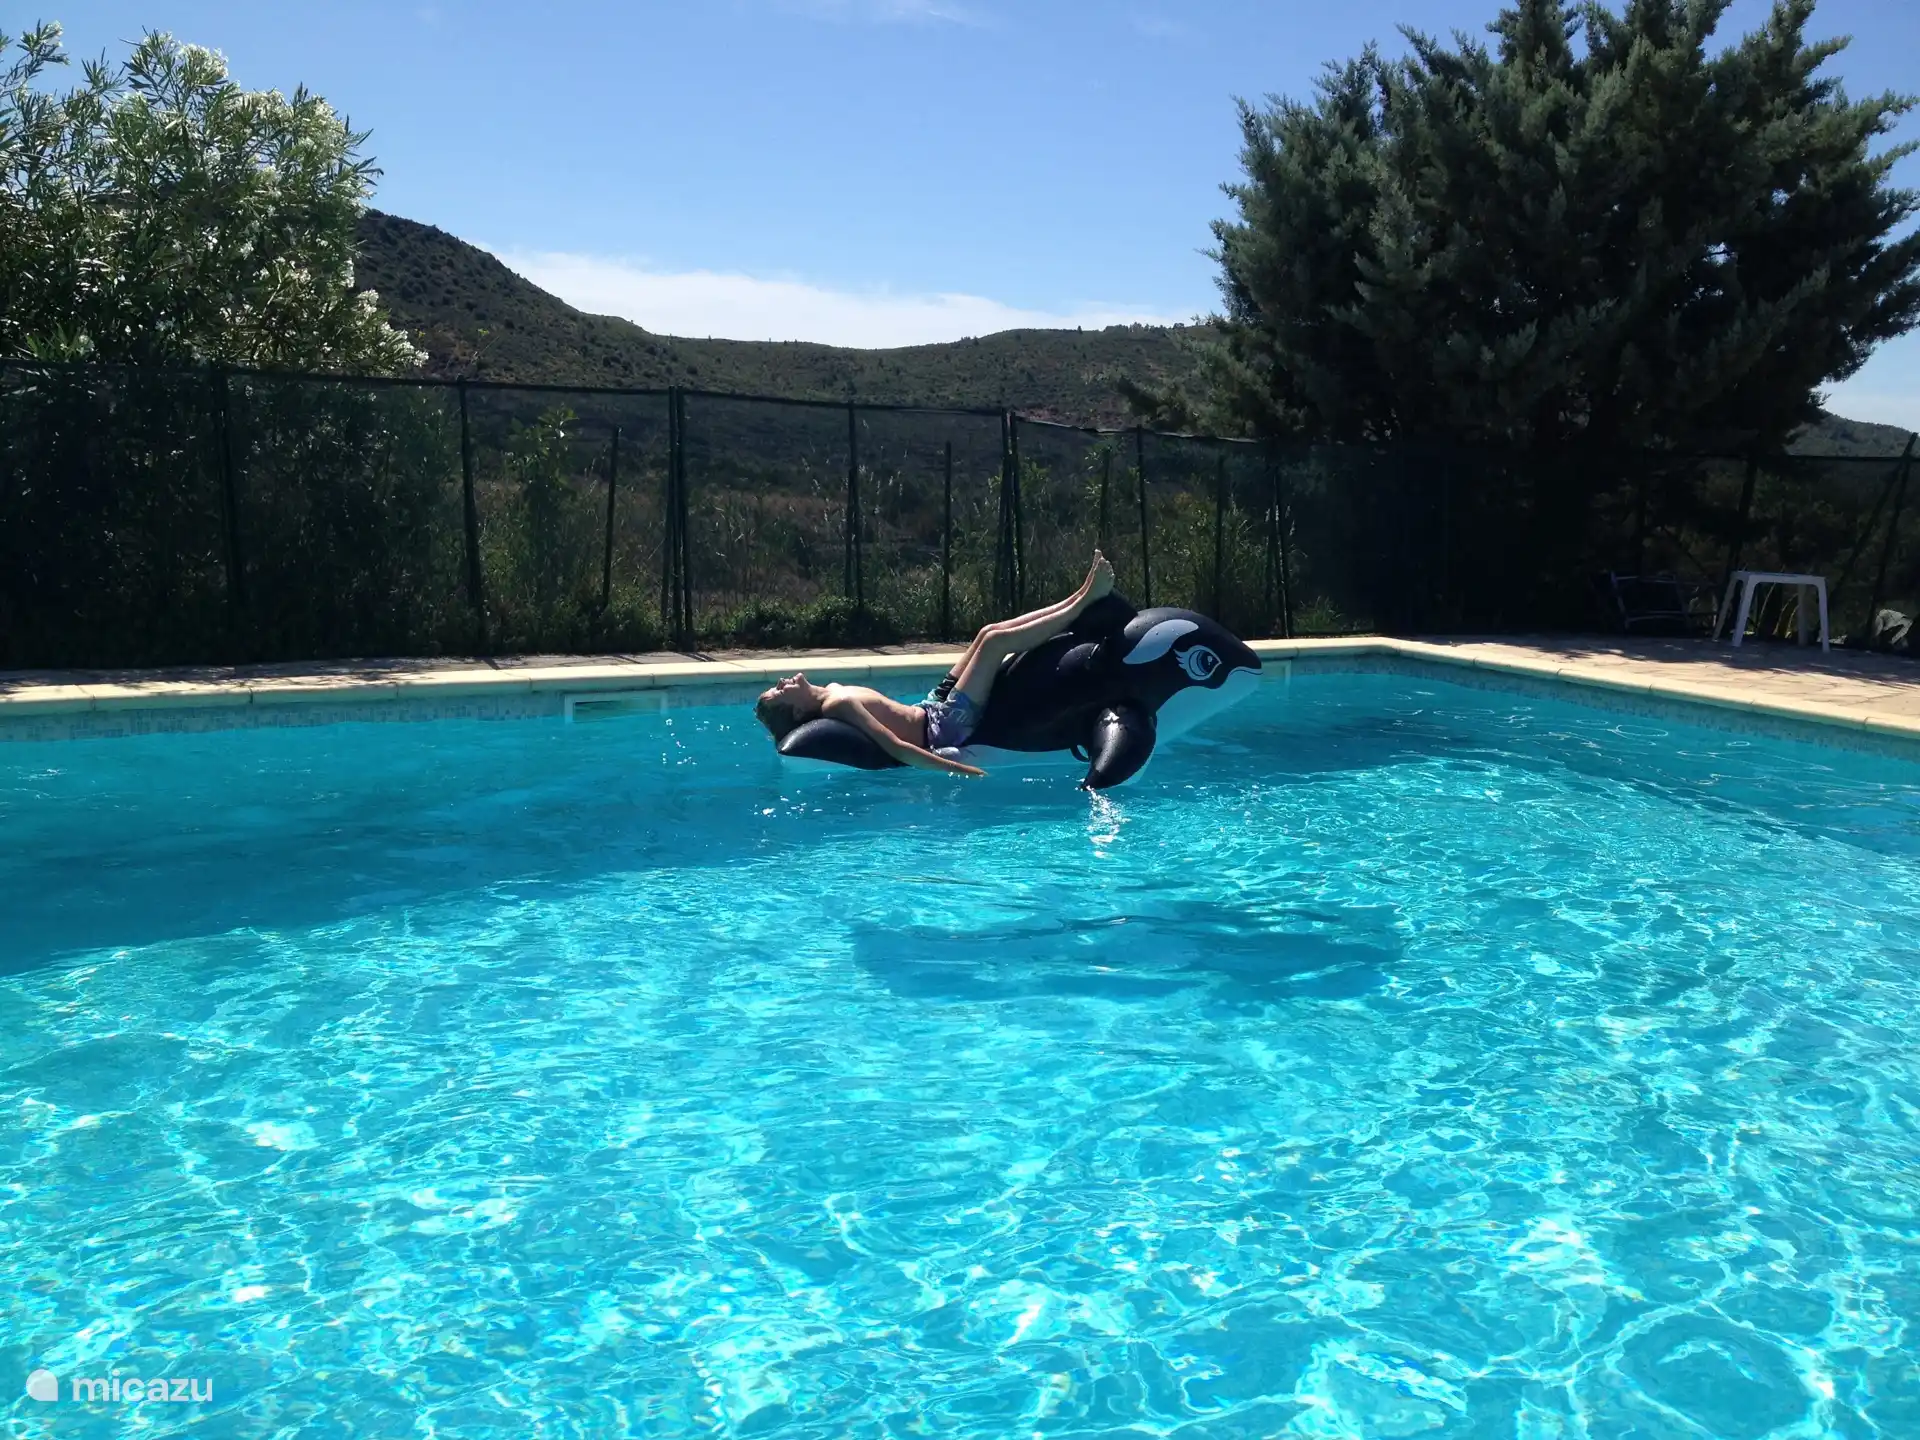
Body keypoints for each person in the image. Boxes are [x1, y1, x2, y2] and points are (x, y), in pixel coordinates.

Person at [754, 552, 1116, 777]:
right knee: (994, 644)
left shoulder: (831, 690)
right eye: (779, 693)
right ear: (798, 710)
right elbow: (895, 746)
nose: (782, 682)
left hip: (931, 705)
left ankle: (1081, 595)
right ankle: (1082, 604)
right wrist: (957, 769)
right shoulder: (836, 704)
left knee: (986, 631)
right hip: (943, 729)